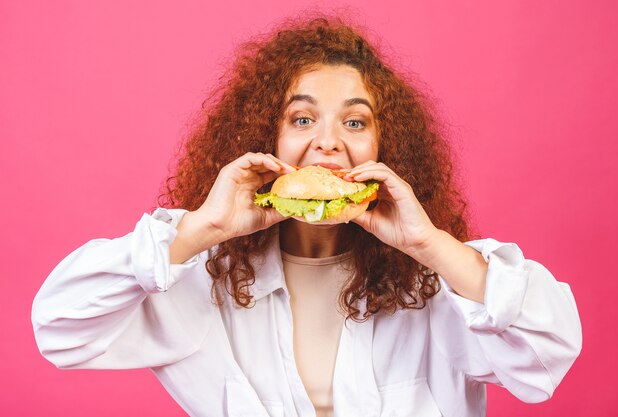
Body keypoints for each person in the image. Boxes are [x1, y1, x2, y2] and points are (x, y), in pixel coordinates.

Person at [32, 16, 582, 417]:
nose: (327, 143)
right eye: (301, 119)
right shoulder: (203, 276)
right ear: (264, 141)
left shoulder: (439, 281)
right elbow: (60, 329)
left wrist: (432, 245)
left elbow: (550, 356)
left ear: (388, 148)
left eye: (355, 123)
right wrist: (203, 228)